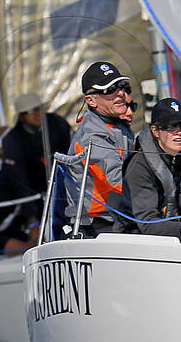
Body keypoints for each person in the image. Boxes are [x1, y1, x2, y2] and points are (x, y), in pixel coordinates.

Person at [0, 100, 70, 254]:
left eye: (38, 108)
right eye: (30, 111)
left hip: (42, 179)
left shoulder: (57, 124)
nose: (37, 113)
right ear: (21, 117)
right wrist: (33, 221)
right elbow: (20, 181)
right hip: (16, 183)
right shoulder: (10, 144)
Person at [60, 60, 139, 238]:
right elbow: (116, 179)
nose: (120, 93)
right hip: (96, 225)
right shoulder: (91, 136)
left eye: (121, 85)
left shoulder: (117, 125)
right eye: (109, 89)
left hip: (122, 216)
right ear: (91, 101)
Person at [124, 96, 181, 237]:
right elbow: (147, 222)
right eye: (170, 127)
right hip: (137, 237)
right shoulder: (139, 166)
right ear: (155, 131)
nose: (179, 132)